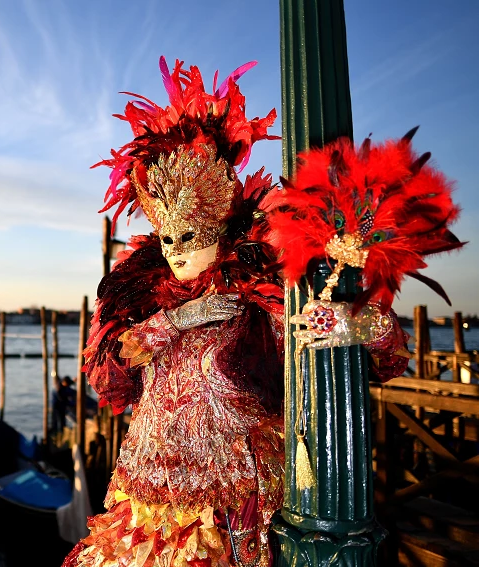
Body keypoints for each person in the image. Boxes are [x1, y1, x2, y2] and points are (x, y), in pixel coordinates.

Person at [62, 57, 409, 567]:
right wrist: (169, 324)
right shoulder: (137, 298)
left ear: (220, 226)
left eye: (191, 235)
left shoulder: (261, 292)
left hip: (238, 508)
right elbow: (109, 383)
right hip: (148, 505)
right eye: (168, 238)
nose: (177, 250)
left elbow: (386, 356)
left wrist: (352, 325)